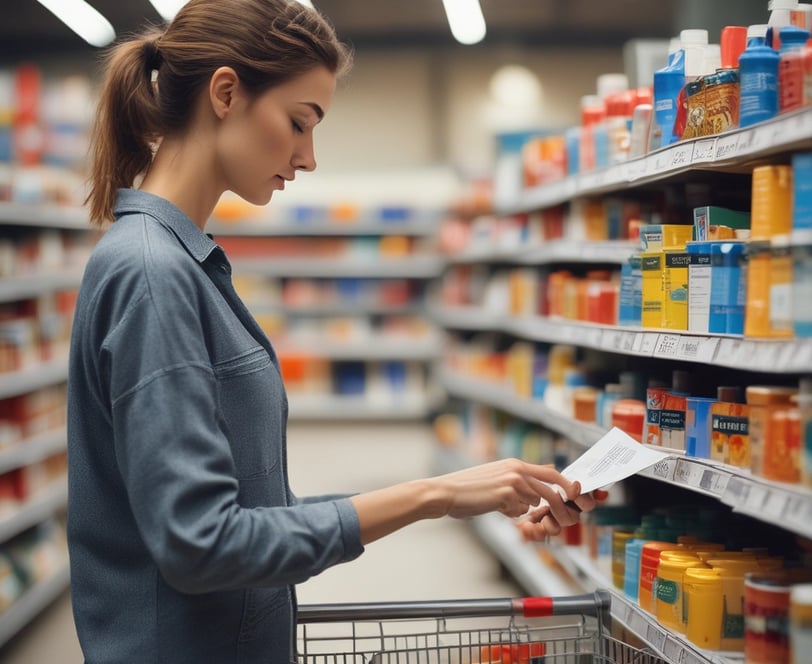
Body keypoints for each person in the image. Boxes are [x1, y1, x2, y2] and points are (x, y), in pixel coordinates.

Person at [67, 1, 605, 662]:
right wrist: (431, 495)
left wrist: (466, 488)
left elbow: (256, 513)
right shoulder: (153, 274)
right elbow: (201, 544)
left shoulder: (183, 263)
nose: (309, 156)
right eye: (299, 123)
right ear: (226, 93)